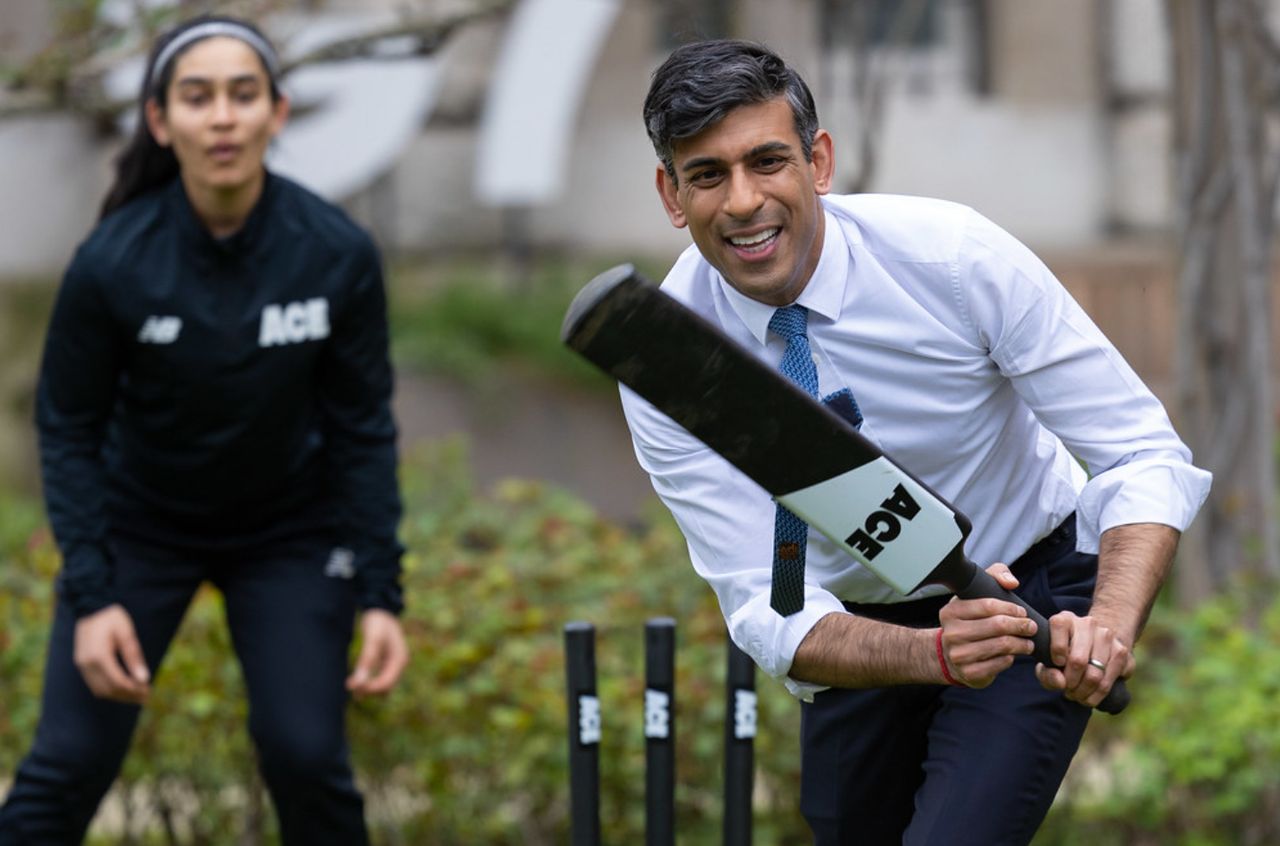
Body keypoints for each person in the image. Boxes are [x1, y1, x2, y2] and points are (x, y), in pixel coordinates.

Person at [624, 39, 1212, 845]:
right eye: (707, 175)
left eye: (768, 162)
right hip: (857, 634)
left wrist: (1105, 622)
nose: (742, 202)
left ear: (818, 161)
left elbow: (1140, 453)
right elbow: (767, 602)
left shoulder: (954, 258)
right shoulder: (671, 357)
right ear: (670, 192)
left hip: (1026, 592)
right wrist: (929, 652)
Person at [0, 15, 407, 846]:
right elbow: (68, 427)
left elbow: (362, 427)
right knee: (67, 764)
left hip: (289, 535)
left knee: (305, 755)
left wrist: (380, 592)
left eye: (241, 94)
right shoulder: (113, 261)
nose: (221, 116)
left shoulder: (335, 253)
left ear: (277, 112)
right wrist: (93, 591)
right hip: (140, 530)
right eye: (197, 97)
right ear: (161, 121)